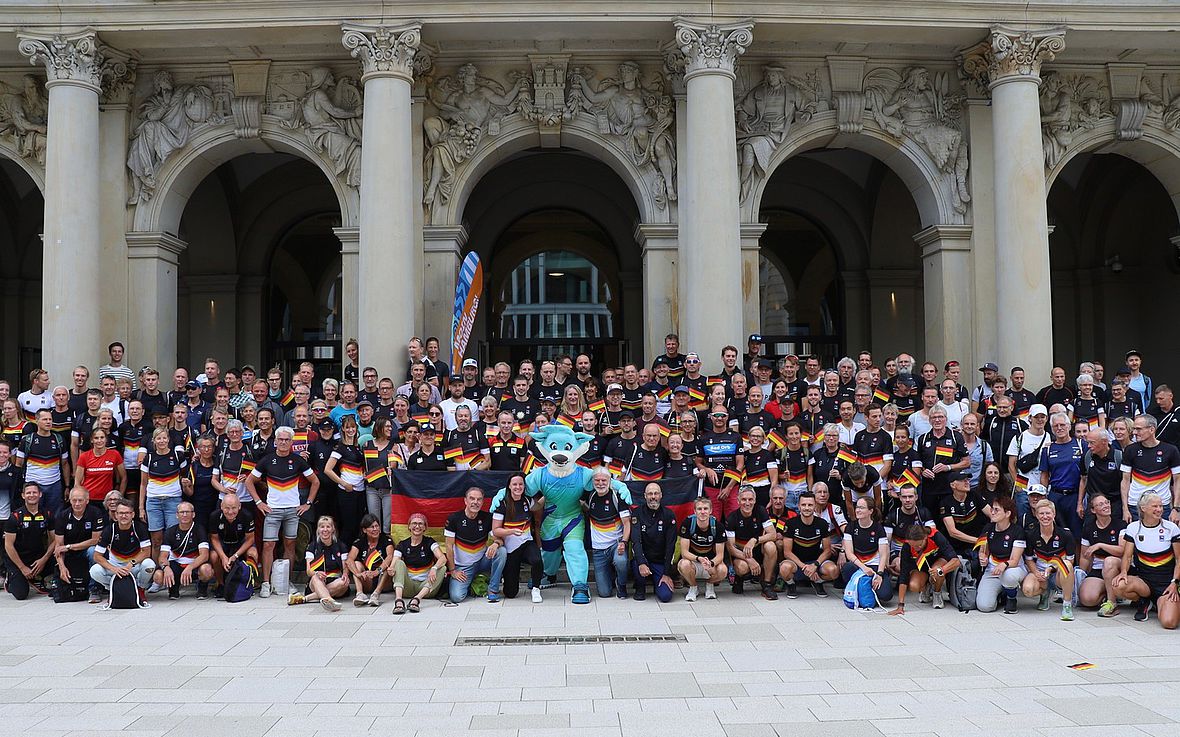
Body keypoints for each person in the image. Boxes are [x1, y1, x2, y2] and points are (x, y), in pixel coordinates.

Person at [247, 426, 319, 598]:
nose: (284, 442)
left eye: (287, 440)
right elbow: (249, 481)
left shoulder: (298, 460)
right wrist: (259, 502)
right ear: (276, 441)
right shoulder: (266, 460)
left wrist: (307, 503)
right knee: (268, 545)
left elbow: (315, 482)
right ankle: (266, 582)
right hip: (272, 510)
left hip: (293, 510)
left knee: (290, 545)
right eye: (281, 439)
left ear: (291, 442)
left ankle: (286, 581)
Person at [1113, 492, 1180, 626]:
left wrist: (1174, 583)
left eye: (1161, 506)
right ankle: (1144, 601)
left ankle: (1160, 603)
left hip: (1167, 584)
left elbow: (1179, 559)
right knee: (1118, 586)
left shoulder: (1171, 528)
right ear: (1143, 508)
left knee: (1169, 623)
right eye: (1155, 506)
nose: (1159, 509)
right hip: (1145, 582)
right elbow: (1127, 556)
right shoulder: (1133, 528)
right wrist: (1123, 572)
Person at [139, 427, 191, 566]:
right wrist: (141, 508)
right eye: (158, 438)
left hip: (173, 501)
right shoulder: (148, 458)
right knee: (156, 540)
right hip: (153, 501)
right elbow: (143, 484)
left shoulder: (178, 455)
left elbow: (185, 477)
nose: (161, 441)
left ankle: (172, 570)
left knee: (173, 538)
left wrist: (187, 485)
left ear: (168, 439)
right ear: (154, 441)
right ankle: (157, 573)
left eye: (164, 438)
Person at [444, 487, 506, 603]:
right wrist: (453, 570)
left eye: (479, 499)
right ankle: (475, 581)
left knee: (501, 551)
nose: (475, 502)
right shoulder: (454, 519)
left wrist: (496, 544)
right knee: (457, 597)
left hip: (482, 561)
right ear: (465, 501)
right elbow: (448, 547)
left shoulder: (487, 518)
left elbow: (500, 539)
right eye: (472, 499)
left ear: (482, 502)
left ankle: (493, 589)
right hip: (463, 567)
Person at [491, 472, 544, 602]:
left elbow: (538, 505)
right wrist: (511, 532)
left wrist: (547, 495)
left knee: (537, 560)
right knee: (510, 593)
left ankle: (536, 589)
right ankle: (506, 578)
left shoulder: (527, 500)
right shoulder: (501, 504)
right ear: (509, 486)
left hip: (526, 542)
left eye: (521, 484)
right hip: (510, 548)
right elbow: (495, 530)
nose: (518, 487)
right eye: (514, 484)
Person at [1022, 497, 1077, 621]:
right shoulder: (1031, 534)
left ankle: (1067, 605)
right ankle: (1044, 594)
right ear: (1036, 515)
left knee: (1067, 566)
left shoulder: (1065, 534)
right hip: (1040, 572)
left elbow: (1070, 560)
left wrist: (1051, 568)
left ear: (1054, 514)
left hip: (1057, 572)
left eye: (1048, 513)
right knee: (1028, 589)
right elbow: (1029, 559)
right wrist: (1036, 572)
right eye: (1041, 513)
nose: (1045, 516)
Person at [1120, 414, 1180, 523]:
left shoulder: (1171, 450)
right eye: (1134, 429)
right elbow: (1125, 481)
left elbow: (1177, 480)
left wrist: (1176, 508)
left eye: (1138, 429)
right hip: (1135, 505)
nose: (1134, 432)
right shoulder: (1130, 450)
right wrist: (1125, 508)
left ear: (1152, 429)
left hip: (1161, 506)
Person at [887, 524, 960, 614]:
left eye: (919, 545)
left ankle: (937, 592)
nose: (916, 548)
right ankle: (926, 587)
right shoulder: (907, 546)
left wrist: (942, 570)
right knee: (913, 586)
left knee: (937, 573)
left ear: (925, 537)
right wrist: (900, 605)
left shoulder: (935, 535)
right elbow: (904, 574)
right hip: (921, 566)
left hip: (939, 561)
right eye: (913, 546)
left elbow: (956, 561)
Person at [779, 491, 840, 598]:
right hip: (796, 563)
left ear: (815, 505)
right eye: (803, 505)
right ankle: (791, 584)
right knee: (784, 568)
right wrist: (805, 567)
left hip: (815, 562)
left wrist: (815, 565)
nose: (806, 508)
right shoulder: (791, 523)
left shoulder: (822, 524)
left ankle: (817, 582)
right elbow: (787, 552)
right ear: (799, 506)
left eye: (810, 505)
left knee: (833, 571)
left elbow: (827, 550)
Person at [583, 466, 631, 598]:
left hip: (616, 544)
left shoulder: (617, 496)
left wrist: (624, 542)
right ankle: (611, 575)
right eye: (597, 480)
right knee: (604, 593)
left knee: (621, 561)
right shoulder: (590, 495)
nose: (600, 483)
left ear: (610, 481)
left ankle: (621, 584)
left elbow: (627, 523)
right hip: (598, 549)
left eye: (604, 480)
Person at [14, 408, 70, 518]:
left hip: (54, 485)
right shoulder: (27, 440)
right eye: (45, 419)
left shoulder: (59, 439)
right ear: (37, 420)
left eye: (50, 419)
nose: (48, 422)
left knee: (55, 518)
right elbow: (18, 464)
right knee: (32, 517)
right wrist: (20, 486)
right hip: (33, 485)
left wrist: (67, 486)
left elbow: (65, 464)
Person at [90, 499, 156, 593]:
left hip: (133, 565)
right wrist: (114, 568)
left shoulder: (139, 528)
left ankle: (140, 588)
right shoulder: (109, 530)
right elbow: (97, 556)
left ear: (132, 515)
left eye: (127, 513)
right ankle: (114, 589)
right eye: (121, 513)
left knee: (149, 564)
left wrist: (131, 563)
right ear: (116, 515)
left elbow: (147, 552)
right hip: (116, 565)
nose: (124, 516)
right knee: (94, 571)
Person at [725, 485, 779, 599]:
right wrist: (749, 559)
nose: (747, 503)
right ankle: (738, 579)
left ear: (755, 500)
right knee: (742, 567)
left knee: (770, 546)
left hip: (757, 548)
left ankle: (767, 585)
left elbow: (773, 534)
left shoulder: (761, 510)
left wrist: (755, 540)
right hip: (741, 553)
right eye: (744, 499)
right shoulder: (732, 518)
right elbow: (731, 548)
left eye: (750, 499)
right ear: (738, 501)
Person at [975, 496, 1027, 614]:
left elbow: (1014, 560)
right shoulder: (988, 528)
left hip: (1013, 568)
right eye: (992, 509)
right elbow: (984, 550)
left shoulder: (1017, 531)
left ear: (1007, 513)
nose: (992, 512)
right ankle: (1001, 593)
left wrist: (1004, 564)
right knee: (985, 606)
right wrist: (982, 557)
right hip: (992, 571)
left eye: (996, 510)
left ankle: (1011, 598)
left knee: (1009, 576)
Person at [153, 500, 213, 599]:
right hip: (176, 564)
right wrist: (166, 568)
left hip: (194, 565)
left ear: (193, 514)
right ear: (177, 515)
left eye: (187, 512)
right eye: (182, 512)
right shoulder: (170, 531)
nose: (184, 515)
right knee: (158, 576)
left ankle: (202, 589)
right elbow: (162, 556)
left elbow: (204, 555)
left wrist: (190, 567)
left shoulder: (200, 529)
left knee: (206, 570)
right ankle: (173, 589)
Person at [389, 512, 446, 614]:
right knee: (399, 564)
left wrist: (434, 568)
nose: (417, 526)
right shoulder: (402, 544)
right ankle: (398, 601)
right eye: (414, 523)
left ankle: (416, 600)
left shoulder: (429, 542)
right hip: (407, 586)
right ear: (409, 527)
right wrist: (391, 569)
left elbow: (442, 558)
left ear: (425, 528)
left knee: (443, 568)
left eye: (421, 524)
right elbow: (394, 562)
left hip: (425, 588)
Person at [1076, 494, 1124, 617]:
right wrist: (1082, 574)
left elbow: (1122, 550)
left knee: (1109, 561)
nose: (1106, 506)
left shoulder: (1121, 524)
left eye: (1107, 502)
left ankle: (1112, 603)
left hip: (1118, 566)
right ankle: (1106, 595)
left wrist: (1101, 545)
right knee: (1087, 599)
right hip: (1098, 567)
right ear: (1093, 510)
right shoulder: (1089, 527)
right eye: (1101, 504)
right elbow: (1085, 555)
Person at [4, 483, 54, 599]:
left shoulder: (47, 514)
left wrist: (44, 559)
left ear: (40, 494)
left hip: (38, 558)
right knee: (21, 595)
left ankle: (38, 578)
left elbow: (55, 540)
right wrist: (22, 567)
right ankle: (11, 578)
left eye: (35, 492)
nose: (32, 495)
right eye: (28, 493)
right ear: (23, 495)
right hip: (17, 559)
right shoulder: (15, 517)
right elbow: (8, 545)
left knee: (60, 553)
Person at [1039, 411, 1085, 535]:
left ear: (1069, 426)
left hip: (1075, 496)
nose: (1059, 428)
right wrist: (1045, 499)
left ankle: (1077, 555)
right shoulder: (1047, 449)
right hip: (1055, 495)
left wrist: (1080, 502)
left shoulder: (1081, 445)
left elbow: (1085, 476)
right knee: (1057, 532)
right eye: (1055, 426)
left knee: (1077, 533)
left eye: (1062, 425)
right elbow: (1044, 475)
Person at [52, 487, 103, 602]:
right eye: (74, 500)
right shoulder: (62, 516)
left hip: (86, 550)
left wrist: (70, 546)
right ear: (70, 500)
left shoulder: (95, 513)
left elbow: (95, 540)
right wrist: (61, 567)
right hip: (68, 551)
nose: (77, 503)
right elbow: (59, 546)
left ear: (87, 500)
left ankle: (94, 589)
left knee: (93, 551)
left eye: (80, 500)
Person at [292, 516, 350, 611]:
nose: (325, 530)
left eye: (328, 527)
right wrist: (316, 573)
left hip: (335, 581)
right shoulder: (312, 546)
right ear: (318, 530)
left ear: (333, 529)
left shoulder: (341, 546)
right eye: (322, 527)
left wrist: (345, 574)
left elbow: (345, 568)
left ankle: (306, 598)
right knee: (315, 577)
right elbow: (308, 571)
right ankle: (330, 600)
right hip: (317, 581)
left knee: (343, 582)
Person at [841, 496, 893, 602]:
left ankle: (866, 586)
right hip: (858, 565)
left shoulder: (879, 528)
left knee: (886, 596)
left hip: (875, 566)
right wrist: (864, 568)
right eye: (857, 507)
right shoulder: (850, 527)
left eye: (862, 507)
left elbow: (883, 554)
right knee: (847, 567)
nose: (858, 510)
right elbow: (849, 554)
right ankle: (859, 587)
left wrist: (879, 574)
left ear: (870, 511)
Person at [631, 482, 677, 602]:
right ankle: (640, 587)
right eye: (650, 494)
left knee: (665, 597)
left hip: (660, 562)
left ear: (661, 495)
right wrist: (641, 562)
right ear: (645, 496)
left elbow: (670, 545)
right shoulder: (637, 513)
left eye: (656, 493)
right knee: (636, 563)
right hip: (643, 559)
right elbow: (636, 540)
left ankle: (658, 584)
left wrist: (666, 573)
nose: (653, 497)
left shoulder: (669, 515)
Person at [677, 496, 726, 602]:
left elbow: (720, 555)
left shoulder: (718, 526)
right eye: (699, 509)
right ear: (694, 511)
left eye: (705, 509)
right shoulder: (688, 523)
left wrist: (711, 563)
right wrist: (699, 558)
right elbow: (684, 553)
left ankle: (710, 585)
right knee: (683, 564)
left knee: (723, 570)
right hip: (694, 562)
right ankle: (693, 587)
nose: (702, 512)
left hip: (710, 563)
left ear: (711, 510)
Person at [208, 492, 258, 594]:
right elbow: (214, 539)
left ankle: (249, 583)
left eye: (234, 508)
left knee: (253, 553)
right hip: (223, 543)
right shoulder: (214, 516)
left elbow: (250, 539)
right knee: (213, 556)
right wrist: (223, 557)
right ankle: (220, 584)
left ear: (239, 506)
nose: (230, 512)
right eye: (227, 508)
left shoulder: (247, 515)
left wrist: (235, 555)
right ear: (221, 506)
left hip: (241, 543)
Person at [1006, 403, 1050, 517]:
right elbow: (1011, 464)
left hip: (1042, 488)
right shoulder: (1019, 438)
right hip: (1025, 488)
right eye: (1036, 417)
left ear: (1047, 418)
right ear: (1030, 418)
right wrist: (1019, 486)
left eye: (1042, 416)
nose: (1040, 420)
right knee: (1023, 520)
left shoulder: (1051, 438)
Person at [346, 513, 393, 607]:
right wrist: (357, 573)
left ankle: (376, 594)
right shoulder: (359, 542)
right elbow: (349, 560)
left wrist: (377, 571)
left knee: (389, 567)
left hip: (383, 579)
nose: (375, 529)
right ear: (364, 530)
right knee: (356, 563)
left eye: (377, 526)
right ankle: (360, 594)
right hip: (367, 579)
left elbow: (390, 556)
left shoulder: (386, 540)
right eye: (372, 527)